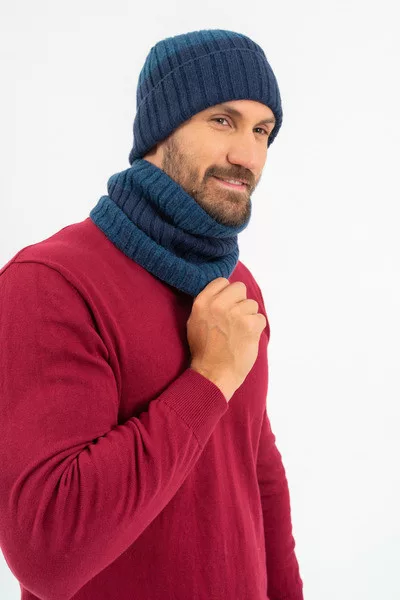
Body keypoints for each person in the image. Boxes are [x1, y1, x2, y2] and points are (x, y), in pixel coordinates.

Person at [0, 29, 304, 600]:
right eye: (223, 120)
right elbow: (46, 553)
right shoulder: (51, 283)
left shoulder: (237, 288)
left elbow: (256, 475)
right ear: (162, 128)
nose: (248, 156)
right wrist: (209, 378)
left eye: (262, 130)